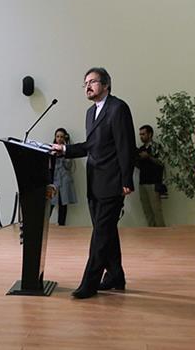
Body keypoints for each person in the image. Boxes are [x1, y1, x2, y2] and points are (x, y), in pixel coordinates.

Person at [50, 67, 136, 299]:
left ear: (106, 85)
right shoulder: (91, 112)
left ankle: (89, 283)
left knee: (100, 235)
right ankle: (116, 275)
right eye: (85, 82)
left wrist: (127, 180)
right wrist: (64, 149)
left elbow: (126, 146)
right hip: (95, 183)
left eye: (93, 82)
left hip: (113, 183)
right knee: (107, 232)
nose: (87, 86)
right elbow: (91, 146)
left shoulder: (118, 108)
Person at [135, 125, 166, 227]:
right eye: (140, 134)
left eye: (143, 134)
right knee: (147, 212)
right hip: (143, 183)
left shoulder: (157, 147)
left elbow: (162, 162)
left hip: (154, 183)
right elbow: (140, 165)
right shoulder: (141, 149)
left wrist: (148, 157)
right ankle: (152, 235)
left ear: (150, 134)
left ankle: (162, 236)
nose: (141, 137)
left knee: (157, 211)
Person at [50, 128, 77, 226]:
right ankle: (43, 226)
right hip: (54, 181)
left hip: (64, 181)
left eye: (61, 136)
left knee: (63, 205)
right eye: (57, 136)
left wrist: (65, 151)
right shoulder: (51, 149)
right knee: (50, 204)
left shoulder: (68, 149)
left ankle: (61, 226)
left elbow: (69, 166)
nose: (59, 138)